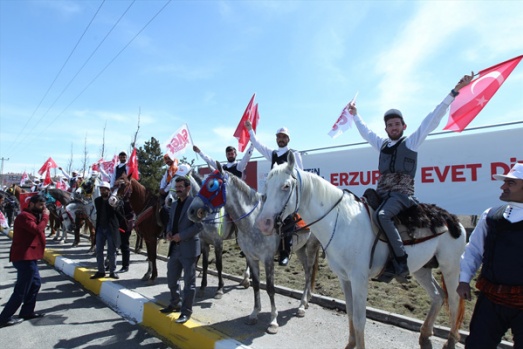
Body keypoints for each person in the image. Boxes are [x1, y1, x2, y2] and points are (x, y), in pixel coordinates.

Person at [348, 72, 473, 283]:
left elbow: (433, 118)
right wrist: (355, 114)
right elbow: (365, 131)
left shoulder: (411, 143)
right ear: (386, 129)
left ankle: (400, 261)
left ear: (403, 126)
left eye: (397, 124)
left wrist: (454, 92)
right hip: (381, 193)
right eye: (390, 125)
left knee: (383, 216)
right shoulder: (382, 145)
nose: (393, 127)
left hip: (401, 196)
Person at [456, 163, 523, 348]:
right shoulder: (491, 215)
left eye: (511, 183)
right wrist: (464, 280)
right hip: (491, 299)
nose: (503, 187)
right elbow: (474, 250)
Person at [245, 120, 303, 266]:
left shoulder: (294, 154)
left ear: (288, 139)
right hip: (273, 194)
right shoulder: (273, 154)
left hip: (286, 195)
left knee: (287, 219)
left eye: (283, 137)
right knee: (257, 213)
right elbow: (257, 144)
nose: (281, 139)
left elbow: (301, 176)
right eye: (279, 137)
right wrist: (250, 130)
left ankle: (285, 252)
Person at [0, 194, 49, 328]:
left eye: (44, 205)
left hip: (30, 258)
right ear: (31, 204)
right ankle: (4, 317)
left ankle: (27, 311)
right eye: (40, 205)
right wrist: (46, 217)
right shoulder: (24, 217)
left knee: (35, 284)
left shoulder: (33, 216)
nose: (43, 208)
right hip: (24, 258)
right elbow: (37, 230)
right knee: (22, 289)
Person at [160, 176, 202, 324]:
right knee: (171, 278)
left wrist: (181, 236)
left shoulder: (195, 204)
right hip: (175, 248)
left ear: (188, 188)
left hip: (189, 248)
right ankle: (174, 303)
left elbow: (199, 226)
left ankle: (186, 312)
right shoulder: (175, 204)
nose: (178, 190)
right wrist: (169, 232)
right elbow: (171, 222)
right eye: (176, 187)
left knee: (189, 284)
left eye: (180, 187)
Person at [90, 181, 124, 280]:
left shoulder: (114, 200)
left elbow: (120, 213)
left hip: (111, 229)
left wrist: (115, 205)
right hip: (100, 228)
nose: (102, 191)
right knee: (99, 251)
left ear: (108, 190)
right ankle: (101, 271)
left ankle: (112, 271)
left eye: (104, 189)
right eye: (101, 189)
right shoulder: (97, 201)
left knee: (111, 251)